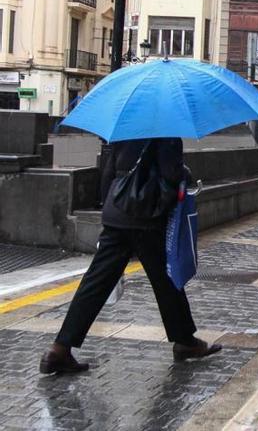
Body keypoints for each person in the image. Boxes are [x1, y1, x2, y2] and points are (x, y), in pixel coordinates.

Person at [39, 138, 221, 374]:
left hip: (117, 214)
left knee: (95, 282)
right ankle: (185, 341)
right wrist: (182, 175)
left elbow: (109, 172)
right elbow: (170, 174)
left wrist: (110, 209)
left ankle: (59, 348)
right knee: (166, 280)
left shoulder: (124, 130)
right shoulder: (166, 129)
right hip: (147, 216)